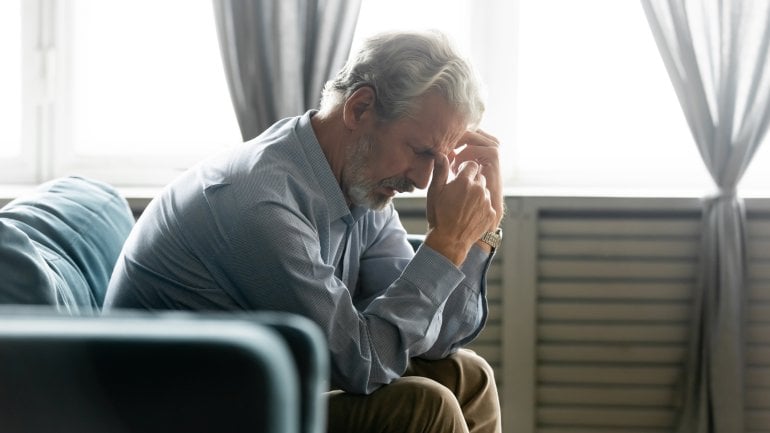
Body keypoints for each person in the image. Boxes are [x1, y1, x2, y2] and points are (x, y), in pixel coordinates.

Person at [104, 30, 503, 433]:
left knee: (467, 375)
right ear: (359, 108)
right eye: (420, 152)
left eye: (438, 159)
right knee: (424, 407)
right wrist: (446, 244)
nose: (422, 179)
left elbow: (432, 340)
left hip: (260, 390)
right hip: (180, 414)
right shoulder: (261, 204)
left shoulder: (363, 187)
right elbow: (362, 363)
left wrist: (480, 235)